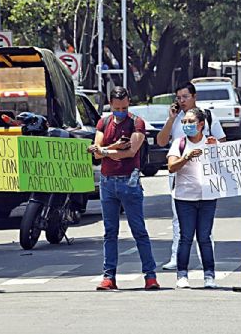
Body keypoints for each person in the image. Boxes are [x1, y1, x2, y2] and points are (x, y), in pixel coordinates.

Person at [88, 87, 159, 290]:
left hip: (130, 181)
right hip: (107, 182)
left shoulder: (137, 122)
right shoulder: (104, 122)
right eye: (117, 107)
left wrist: (107, 150)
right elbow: (97, 154)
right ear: (110, 104)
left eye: (125, 107)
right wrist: (114, 148)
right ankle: (109, 277)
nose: (121, 110)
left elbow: (130, 152)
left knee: (139, 230)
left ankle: (150, 276)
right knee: (110, 232)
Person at [156, 81, 226, 271]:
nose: (182, 101)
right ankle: (176, 258)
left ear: (194, 97)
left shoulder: (207, 116)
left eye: (185, 97)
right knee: (179, 219)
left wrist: (212, 146)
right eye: (178, 98)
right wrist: (171, 119)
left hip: (205, 175)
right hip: (181, 172)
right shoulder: (176, 118)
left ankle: (208, 260)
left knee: (205, 224)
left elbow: (222, 142)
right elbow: (161, 141)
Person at [167, 108, 219, 288]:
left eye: (191, 122)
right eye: (184, 122)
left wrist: (216, 149)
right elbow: (172, 167)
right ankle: (182, 274)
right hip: (184, 198)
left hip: (208, 197)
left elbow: (225, 167)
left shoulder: (211, 143)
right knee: (186, 237)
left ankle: (209, 275)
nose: (187, 125)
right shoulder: (179, 143)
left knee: (204, 237)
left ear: (201, 124)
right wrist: (186, 157)